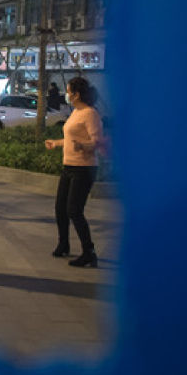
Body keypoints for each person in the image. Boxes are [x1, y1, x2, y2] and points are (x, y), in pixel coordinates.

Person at [45, 76, 104, 267]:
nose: (66, 94)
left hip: (84, 168)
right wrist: (56, 143)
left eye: (69, 91)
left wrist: (84, 146)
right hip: (69, 166)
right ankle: (63, 244)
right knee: (60, 208)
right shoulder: (75, 112)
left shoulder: (90, 113)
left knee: (74, 210)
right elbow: (72, 139)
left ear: (76, 94)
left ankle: (89, 252)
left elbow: (97, 142)